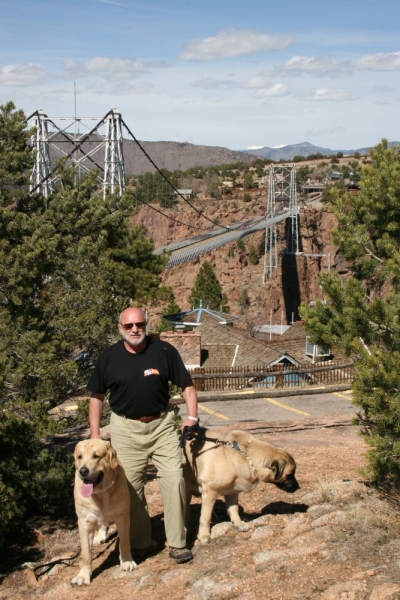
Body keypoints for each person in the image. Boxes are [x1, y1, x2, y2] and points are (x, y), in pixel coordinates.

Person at [87, 307, 199, 564]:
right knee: (129, 488)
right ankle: (140, 543)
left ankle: (178, 543)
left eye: (139, 324)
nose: (135, 329)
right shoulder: (108, 358)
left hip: (162, 425)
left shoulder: (164, 351)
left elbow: (187, 385)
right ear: (120, 328)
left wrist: (192, 417)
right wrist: (95, 436)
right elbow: (97, 397)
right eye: (129, 326)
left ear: (146, 324)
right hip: (125, 429)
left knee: (174, 479)